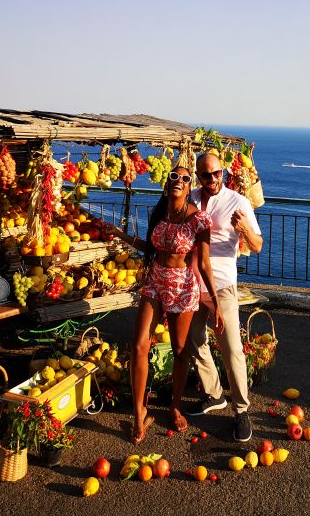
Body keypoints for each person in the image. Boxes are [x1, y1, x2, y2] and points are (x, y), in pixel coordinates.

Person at [113, 165, 224, 444]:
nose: (179, 180)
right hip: (155, 281)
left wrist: (217, 303)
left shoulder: (199, 220)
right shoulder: (159, 213)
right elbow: (152, 249)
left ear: (189, 187)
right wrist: (122, 236)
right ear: (168, 183)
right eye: (174, 176)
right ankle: (139, 415)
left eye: (185, 178)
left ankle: (174, 406)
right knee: (139, 345)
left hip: (182, 287)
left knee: (179, 349)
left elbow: (205, 263)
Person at [186, 152, 263, 442]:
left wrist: (243, 229)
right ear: (198, 176)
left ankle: (241, 411)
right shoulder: (191, 198)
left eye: (217, 173)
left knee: (232, 348)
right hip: (193, 285)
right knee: (193, 339)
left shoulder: (239, 202)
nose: (213, 179)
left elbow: (257, 246)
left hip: (222, 286)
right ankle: (213, 392)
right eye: (206, 175)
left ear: (223, 172)